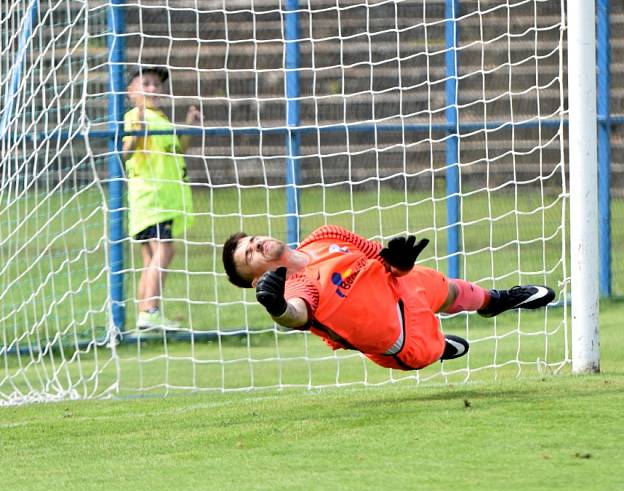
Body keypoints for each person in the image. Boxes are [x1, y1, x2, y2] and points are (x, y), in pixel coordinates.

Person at [222, 226, 555, 370]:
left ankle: (495, 301)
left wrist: (398, 263)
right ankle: (438, 347)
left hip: (400, 287)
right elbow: (295, 314)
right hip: (397, 336)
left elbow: (380, 259)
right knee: (431, 348)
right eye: (249, 256)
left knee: (449, 289)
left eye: (251, 240)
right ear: (257, 281)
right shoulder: (295, 288)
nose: (255, 245)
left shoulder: (325, 235)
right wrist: (277, 306)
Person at [122, 65, 200, 331]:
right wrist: (138, 131)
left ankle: (145, 312)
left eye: (157, 84)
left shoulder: (161, 119)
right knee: (165, 250)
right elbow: (127, 152)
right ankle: (150, 311)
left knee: (150, 257)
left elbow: (179, 149)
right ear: (131, 91)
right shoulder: (136, 116)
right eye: (146, 84)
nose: (153, 89)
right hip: (152, 198)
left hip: (160, 199)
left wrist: (189, 125)